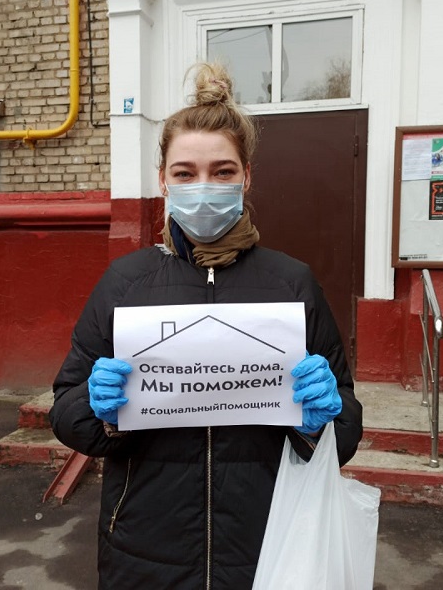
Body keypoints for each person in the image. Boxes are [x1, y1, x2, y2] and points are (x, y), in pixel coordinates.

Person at [49, 61, 363, 590]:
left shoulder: (292, 284)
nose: (203, 187)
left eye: (222, 172)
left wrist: (320, 422)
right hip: (144, 553)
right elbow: (65, 413)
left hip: (268, 547)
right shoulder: (126, 284)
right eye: (184, 173)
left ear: (246, 177)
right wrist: (97, 411)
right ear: (163, 181)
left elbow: (346, 428)